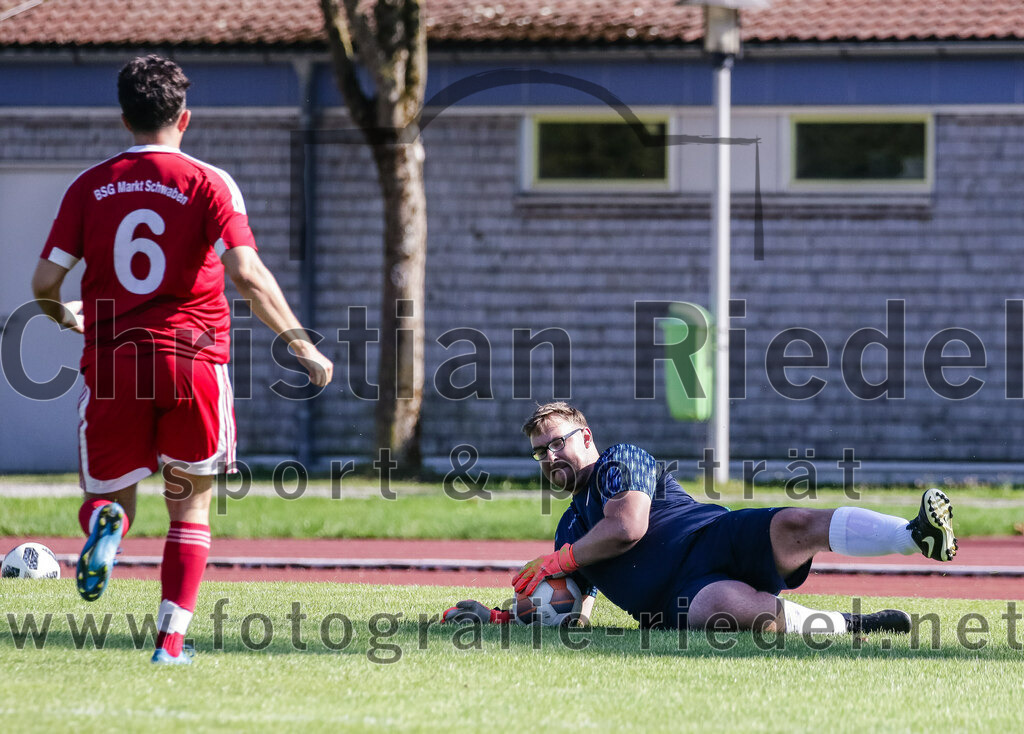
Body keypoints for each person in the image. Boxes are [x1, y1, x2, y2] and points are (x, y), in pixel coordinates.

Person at [30, 55, 333, 664]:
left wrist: (64, 315)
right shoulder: (209, 182)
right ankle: (170, 642)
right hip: (192, 362)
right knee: (189, 507)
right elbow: (246, 272)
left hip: (113, 363)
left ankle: (107, 524)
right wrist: (301, 342)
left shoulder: (89, 185)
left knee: (111, 496)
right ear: (184, 118)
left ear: (124, 118)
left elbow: (44, 281)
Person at [443, 402, 957, 634]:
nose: (550, 456)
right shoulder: (569, 531)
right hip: (678, 600)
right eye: (540, 452)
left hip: (713, 537)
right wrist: (504, 616)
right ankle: (854, 624)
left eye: (557, 442)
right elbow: (573, 607)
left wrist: (561, 559)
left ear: (586, 437)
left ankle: (914, 535)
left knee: (794, 523)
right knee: (726, 609)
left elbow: (627, 527)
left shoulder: (621, 460)